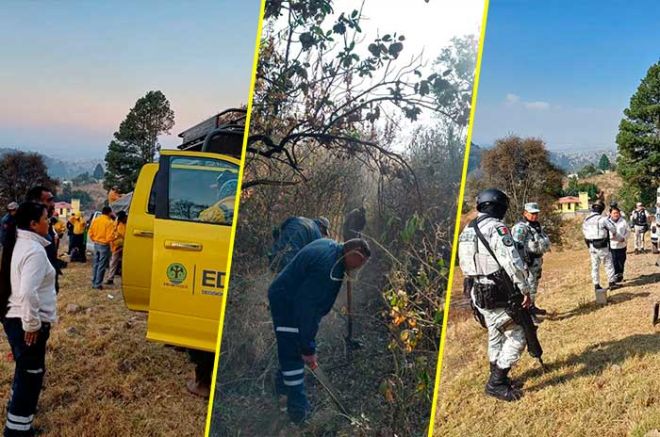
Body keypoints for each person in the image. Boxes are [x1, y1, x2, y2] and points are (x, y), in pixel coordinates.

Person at [269, 237, 371, 423]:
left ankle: (280, 392)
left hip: (291, 300)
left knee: (291, 349)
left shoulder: (333, 249)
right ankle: (299, 416)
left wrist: (307, 343)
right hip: (286, 303)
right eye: (360, 263)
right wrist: (308, 349)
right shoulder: (328, 269)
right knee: (293, 356)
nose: (359, 268)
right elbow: (307, 309)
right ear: (353, 254)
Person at [458, 188, 531, 402]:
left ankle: (496, 375)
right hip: (498, 289)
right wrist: (524, 289)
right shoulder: (497, 228)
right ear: (498, 206)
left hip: (476, 290)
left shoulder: (467, 229)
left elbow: (464, 264)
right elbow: (511, 261)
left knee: (495, 332)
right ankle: (496, 382)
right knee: (519, 333)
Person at [1, 202, 56, 435]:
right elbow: (27, 292)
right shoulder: (33, 251)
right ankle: (17, 431)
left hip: (14, 317)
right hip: (26, 320)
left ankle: (18, 420)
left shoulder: (20, 244)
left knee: (25, 371)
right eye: (46, 218)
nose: (49, 222)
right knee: (31, 376)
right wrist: (32, 325)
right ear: (33, 224)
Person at [511, 202, 551, 320]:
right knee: (527, 287)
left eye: (536, 213)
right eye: (532, 213)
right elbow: (516, 246)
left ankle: (532, 306)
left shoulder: (536, 226)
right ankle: (528, 313)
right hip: (527, 263)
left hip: (536, 261)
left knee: (533, 286)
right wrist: (523, 262)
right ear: (525, 213)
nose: (535, 215)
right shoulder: (521, 227)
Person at [25, 186, 62, 294]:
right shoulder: (28, 230)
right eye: (49, 200)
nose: (53, 204)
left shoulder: (45, 225)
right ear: (36, 203)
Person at [583, 200, 621, 294]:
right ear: (601, 209)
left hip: (591, 245)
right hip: (602, 244)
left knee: (595, 266)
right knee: (608, 264)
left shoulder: (586, 219)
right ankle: (611, 283)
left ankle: (596, 285)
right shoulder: (602, 219)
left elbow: (584, 232)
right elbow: (613, 229)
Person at [88, 206, 115, 290]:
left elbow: (90, 232)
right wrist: (112, 238)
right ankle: (98, 284)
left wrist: (94, 239)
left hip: (96, 244)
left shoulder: (96, 220)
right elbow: (110, 236)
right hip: (104, 245)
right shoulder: (109, 222)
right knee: (102, 265)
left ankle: (94, 282)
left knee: (96, 264)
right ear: (109, 212)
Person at [608, 206, 629, 282]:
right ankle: (615, 276)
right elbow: (606, 233)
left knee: (622, 261)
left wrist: (624, 238)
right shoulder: (608, 222)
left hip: (622, 245)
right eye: (614, 213)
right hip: (612, 246)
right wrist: (611, 237)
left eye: (617, 213)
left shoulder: (623, 221)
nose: (616, 214)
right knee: (614, 261)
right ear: (610, 214)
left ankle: (620, 274)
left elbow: (628, 231)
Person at [105, 211, 127, 285]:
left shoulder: (128, 222)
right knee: (113, 262)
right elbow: (112, 234)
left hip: (125, 246)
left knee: (124, 263)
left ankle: (126, 279)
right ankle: (110, 278)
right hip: (117, 246)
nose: (122, 220)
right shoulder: (116, 223)